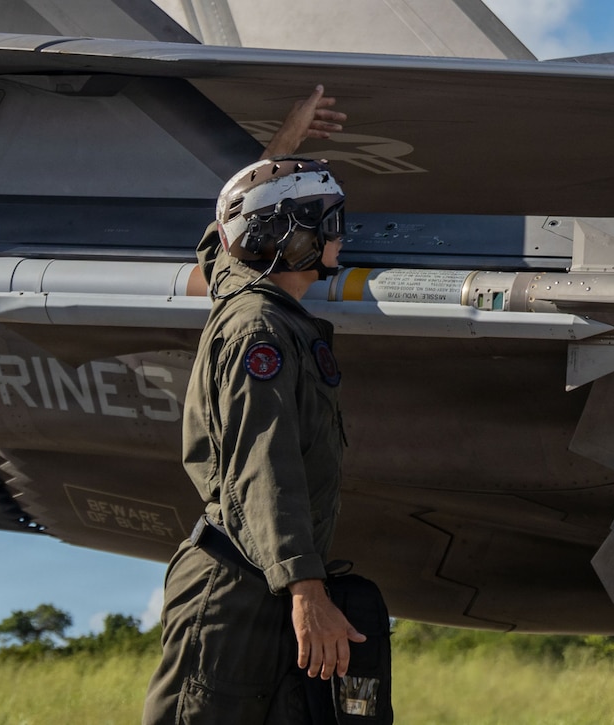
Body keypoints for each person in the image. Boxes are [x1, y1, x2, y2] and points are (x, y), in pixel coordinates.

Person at [143, 86, 362, 724]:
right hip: (236, 588)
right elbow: (262, 465)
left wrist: (285, 144)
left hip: (258, 580)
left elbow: (226, 232)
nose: (339, 236)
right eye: (327, 221)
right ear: (293, 237)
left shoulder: (242, 284)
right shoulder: (259, 330)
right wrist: (307, 590)